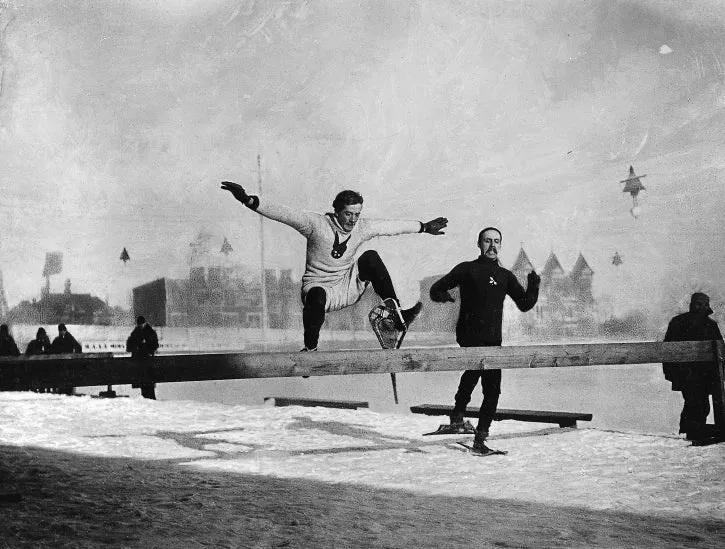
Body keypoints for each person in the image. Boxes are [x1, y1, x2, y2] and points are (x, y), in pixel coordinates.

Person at [221, 181, 448, 351]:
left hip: (346, 286)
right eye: (348, 214)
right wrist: (248, 200)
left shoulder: (362, 227)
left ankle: (396, 315)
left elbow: (390, 226)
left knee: (370, 257)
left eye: (357, 215)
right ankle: (311, 348)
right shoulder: (315, 224)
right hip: (318, 291)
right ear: (336, 211)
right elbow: (284, 214)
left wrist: (424, 227)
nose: (352, 220)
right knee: (317, 295)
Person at [429, 227, 540, 454]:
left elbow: (525, 304)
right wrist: (444, 297)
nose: (492, 246)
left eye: (496, 241)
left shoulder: (505, 276)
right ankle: (466, 426)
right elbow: (435, 289)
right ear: (479, 244)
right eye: (487, 241)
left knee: (489, 388)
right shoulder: (467, 269)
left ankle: (469, 426)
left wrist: (534, 284)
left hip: (493, 340)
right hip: (470, 336)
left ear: (501, 245)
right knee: (480, 377)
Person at [662, 292, 723, 442]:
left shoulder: (710, 325)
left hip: (706, 374)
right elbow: (668, 350)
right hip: (688, 374)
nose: (702, 307)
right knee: (695, 402)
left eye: (704, 304)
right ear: (692, 304)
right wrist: (671, 372)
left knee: (700, 403)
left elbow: (719, 349)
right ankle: (692, 431)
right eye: (699, 304)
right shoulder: (679, 323)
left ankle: (694, 430)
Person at [127, 315, 160, 400]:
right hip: (146, 361)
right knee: (147, 382)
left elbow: (129, 346)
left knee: (145, 382)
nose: (140, 326)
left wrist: (140, 346)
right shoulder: (150, 332)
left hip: (140, 361)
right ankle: (149, 399)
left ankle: (147, 399)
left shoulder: (136, 332)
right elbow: (155, 345)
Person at [50, 324, 82, 395]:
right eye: (60, 331)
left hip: (66, 362)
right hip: (65, 362)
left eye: (62, 330)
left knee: (65, 378)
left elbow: (77, 347)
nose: (61, 332)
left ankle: (65, 391)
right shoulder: (60, 338)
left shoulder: (68, 338)